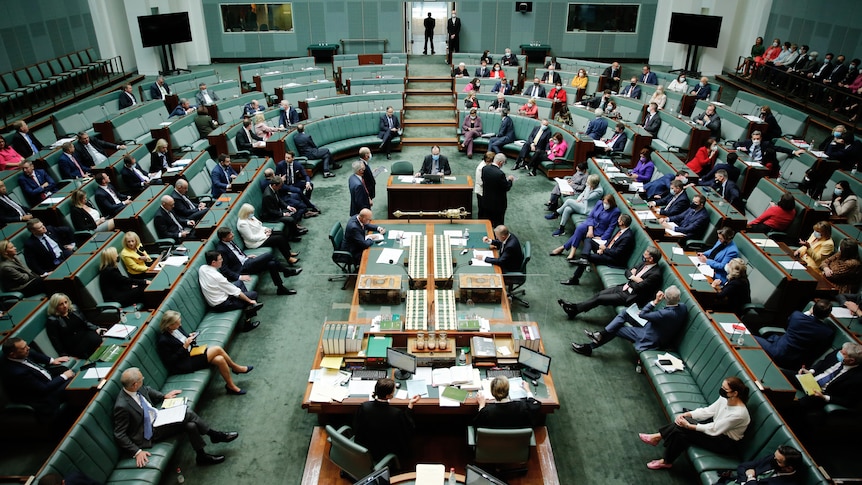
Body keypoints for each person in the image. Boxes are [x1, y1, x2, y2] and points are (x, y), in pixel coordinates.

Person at [113, 367, 237, 467]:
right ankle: (214, 435)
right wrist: (136, 452)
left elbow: (147, 390)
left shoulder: (135, 388)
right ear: (134, 385)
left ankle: (201, 457)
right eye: (141, 379)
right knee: (187, 413)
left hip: (159, 417)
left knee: (191, 425)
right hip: (150, 431)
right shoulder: (122, 406)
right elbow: (119, 434)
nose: (143, 380)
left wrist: (163, 396)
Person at [639, 376, 751, 470]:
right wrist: (689, 415)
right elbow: (709, 411)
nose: (722, 390)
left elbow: (715, 429)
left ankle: (658, 438)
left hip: (723, 442)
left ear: (735, 393)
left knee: (683, 429)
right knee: (681, 433)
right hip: (715, 430)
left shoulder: (739, 414)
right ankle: (665, 459)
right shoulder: (725, 398)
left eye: (725, 389)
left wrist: (689, 426)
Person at [572, 286, 687, 356]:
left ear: (665, 298)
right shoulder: (682, 307)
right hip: (654, 326)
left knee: (618, 329)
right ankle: (601, 334)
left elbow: (643, 314)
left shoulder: (665, 314)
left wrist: (655, 301)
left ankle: (590, 347)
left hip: (651, 336)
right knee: (625, 313)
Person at [156, 311, 251, 395]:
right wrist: (184, 346)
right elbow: (171, 361)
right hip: (184, 363)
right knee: (217, 349)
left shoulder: (177, 328)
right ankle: (236, 368)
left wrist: (190, 336)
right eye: (177, 323)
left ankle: (231, 386)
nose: (180, 325)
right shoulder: (163, 341)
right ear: (169, 325)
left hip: (191, 352)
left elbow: (182, 338)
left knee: (220, 359)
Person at [559, 247, 663, 318]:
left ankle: (574, 309)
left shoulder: (655, 274)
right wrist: (633, 277)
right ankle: (575, 309)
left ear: (651, 259)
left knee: (600, 299)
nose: (643, 257)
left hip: (631, 296)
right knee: (600, 294)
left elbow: (639, 287)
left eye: (645, 256)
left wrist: (632, 277)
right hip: (625, 288)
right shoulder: (643, 263)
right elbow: (627, 272)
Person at [791, 342, 862, 431]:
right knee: (783, 374)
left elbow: (848, 401)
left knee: (796, 404)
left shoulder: (858, 378)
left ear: (851, 360)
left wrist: (825, 397)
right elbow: (823, 362)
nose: (839, 352)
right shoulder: (841, 353)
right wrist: (811, 371)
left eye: (843, 353)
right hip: (811, 379)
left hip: (820, 393)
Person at [1, 337, 75, 419]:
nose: (28, 348)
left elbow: (33, 354)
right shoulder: (17, 373)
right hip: (43, 395)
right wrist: (64, 376)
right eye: (24, 348)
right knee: (72, 383)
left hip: (46, 379)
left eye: (26, 345)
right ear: (12, 354)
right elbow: (44, 389)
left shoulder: (19, 354)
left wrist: (51, 360)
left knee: (66, 370)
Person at [215, 227, 299, 297]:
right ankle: (287, 271)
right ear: (223, 238)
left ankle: (281, 288)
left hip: (247, 261)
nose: (232, 235)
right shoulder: (221, 249)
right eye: (230, 234)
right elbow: (224, 269)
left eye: (231, 233)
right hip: (242, 268)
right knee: (268, 256)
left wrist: (245, 256)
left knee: (271, 264)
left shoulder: (229, 240)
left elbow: (236, 253)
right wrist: (239, 277)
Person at [353, 378, 419, 464]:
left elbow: (356, 425)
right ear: (388, 396)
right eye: (393, 391)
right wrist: (410, 405)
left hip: (364, 444)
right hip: (383, 450)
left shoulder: (364, 406)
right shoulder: (395, 413)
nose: (394, 392)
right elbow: (408, 429)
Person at [755, 300, 834, 370]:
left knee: (749, 338)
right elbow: (817, 350)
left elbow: (787, 327)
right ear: (828, 315)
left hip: (776, 351)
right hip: (794, 362)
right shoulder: (827, 332)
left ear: (813, 308)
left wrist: (809, 312)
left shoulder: (796, 316)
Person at [563, 214, 635, 286]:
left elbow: (617, 253)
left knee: (589, 258)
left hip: (614, 259)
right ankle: (584, 258)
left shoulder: (627, 237)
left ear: (622, 222)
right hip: (608, 251)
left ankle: (574, 279)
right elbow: (611, 241)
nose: (617, 220)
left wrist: (604, 249)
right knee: (589, 240)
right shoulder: (621, 230)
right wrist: (602, 248)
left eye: (618, 219)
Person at [199, 251, 262, 332]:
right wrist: (250, 301)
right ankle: (248, 323)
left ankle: (248, 308)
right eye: (220, 259)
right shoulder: (218, 277)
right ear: (213, 262)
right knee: (253, 295)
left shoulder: (202, 268)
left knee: (239, 282)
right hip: (222, 304)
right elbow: (237, 292)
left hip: (219, 295)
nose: (222, 260)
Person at [550, 194, 620, 260]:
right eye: (604, 202)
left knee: (578, 233)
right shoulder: (599, 203)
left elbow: (611, 227)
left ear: (611, 203)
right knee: (580, 228)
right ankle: (572, 252)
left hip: (599, 231)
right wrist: (590, 228)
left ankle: (563, 248)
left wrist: (602, 238)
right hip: (590, 224)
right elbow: (591, 216)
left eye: (607, 203)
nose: (605, 205)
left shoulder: (615, 211)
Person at [45, 293, 104, 359]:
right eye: (61, 304)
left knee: (101, 341)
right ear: (55, 306)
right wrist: (64, 354)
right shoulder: (52, 321)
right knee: (97, 344)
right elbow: (56, 341)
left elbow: (85, 322)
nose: (65, 306)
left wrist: (96, 328)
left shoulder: (74, 309)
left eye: (65, 302)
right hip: (75, 346)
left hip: (87, 336)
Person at [473, 376, 540, 429]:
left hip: (492, 443)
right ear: (508, 390)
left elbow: (477, 425)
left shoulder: (486, 412)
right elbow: (535, 405)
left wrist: (481, 405)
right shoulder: (522, 407)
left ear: (492, 392)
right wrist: (528, 390)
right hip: (518, 443)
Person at [719, 445, 804, 485]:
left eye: (778, 461)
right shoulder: (773, 458)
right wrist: (745, 481)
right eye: (774, 456)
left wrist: (750, 477)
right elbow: (743, 466)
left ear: (789, 468)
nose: (773, 459)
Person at [260, 176, 305, 242]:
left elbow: (279, 200)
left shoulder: (274, 189)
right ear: (275, 185)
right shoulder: (268, 195)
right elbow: (270, 211)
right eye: (280, 186)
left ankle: (295, 231)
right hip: (270, 216)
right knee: (290, 219)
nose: (280, 188)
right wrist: (283, 214)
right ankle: (292, 236)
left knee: (293, 211)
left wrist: (288, 207)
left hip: (276, 211)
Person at [480, 153, 514, 227]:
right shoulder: (500, 174)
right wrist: (510, 180)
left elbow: (484, 180)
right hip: (498, 205)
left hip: (486, 201)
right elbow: (506, 187)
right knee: (498, 224)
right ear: (500, 162)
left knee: (487, 223)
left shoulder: (485, 168)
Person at [474, 152, 493, 219]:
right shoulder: (481, 168)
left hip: (485, 192)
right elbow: (480, 182)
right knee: (482, 210)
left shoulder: (487, 166)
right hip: (481, 192)